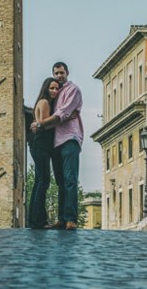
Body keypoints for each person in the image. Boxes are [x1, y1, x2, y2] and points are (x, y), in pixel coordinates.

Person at [32, 62, 83, 230]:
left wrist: (40, 125)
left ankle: (70, 219)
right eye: (56, 73)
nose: (59, 76)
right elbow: (51, 114)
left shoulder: (72, 90)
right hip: (55, 142)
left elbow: (63, 114)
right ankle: (61, 218)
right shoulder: (55, 94)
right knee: (60, 181)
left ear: (67, 73)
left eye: (62, 73)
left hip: (69, 138)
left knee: (70, 180)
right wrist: (39, 122)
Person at [27, 77, 60, 229]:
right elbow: (43, 125)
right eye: (52, 88)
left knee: (39, 181)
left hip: (37, 145)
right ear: (46, 89)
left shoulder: (40, 102)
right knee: (43, 181)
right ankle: (39, 221)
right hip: (41, 145)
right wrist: (61, 119)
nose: (54, 91)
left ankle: (34, 220)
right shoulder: (45, 102)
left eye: (56, 88)